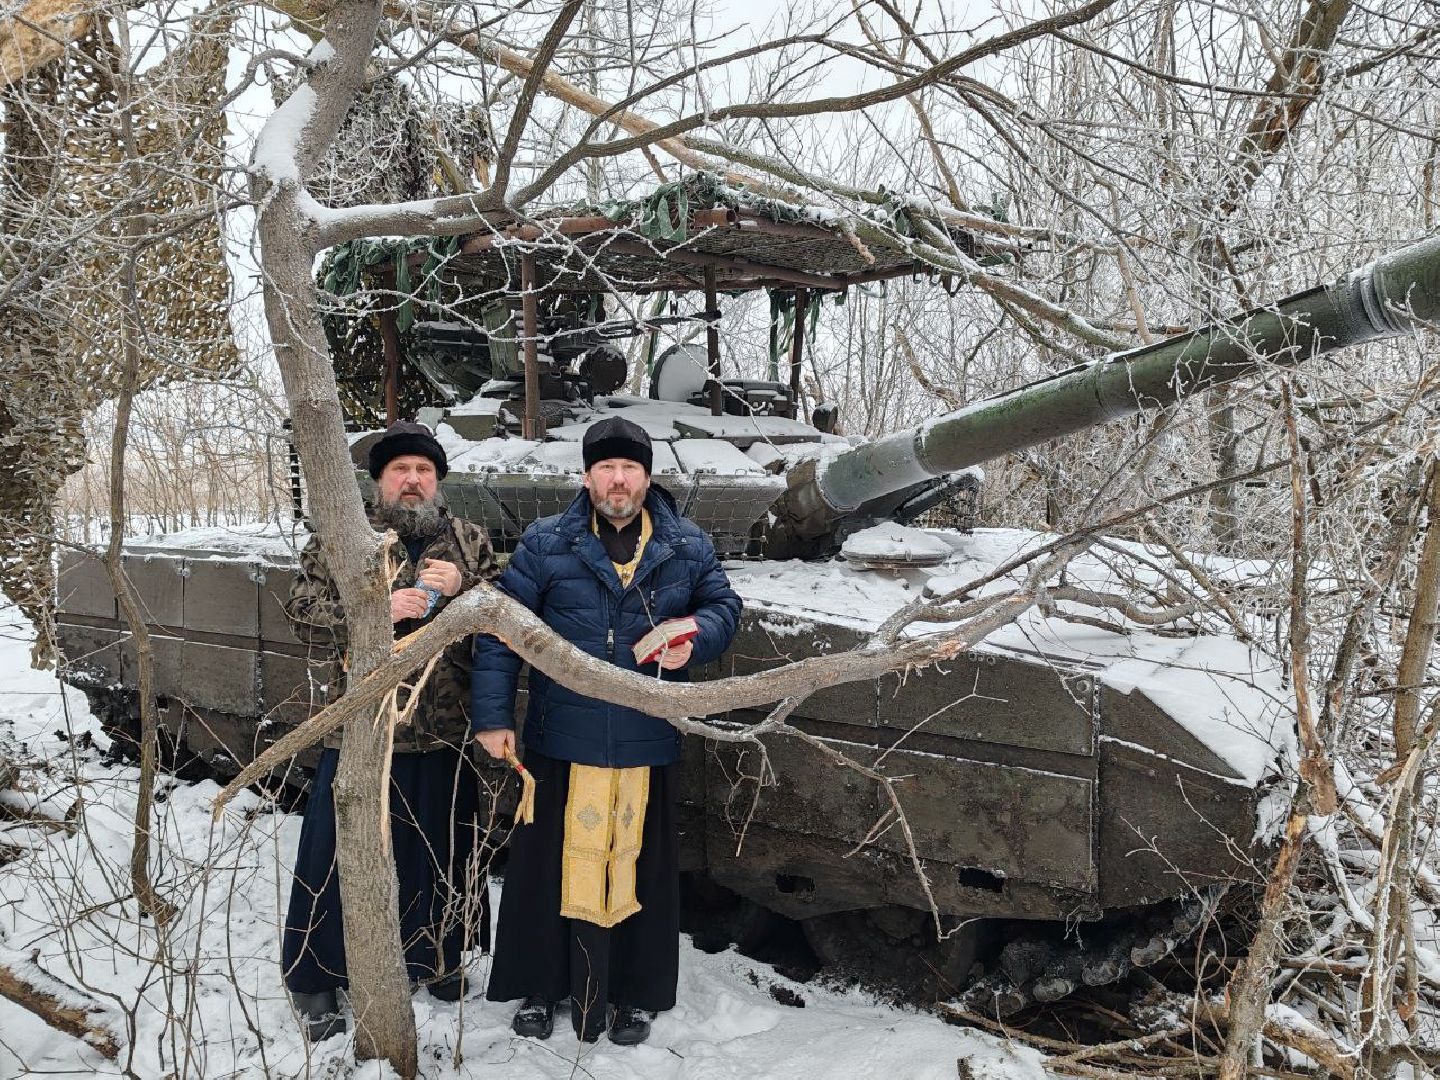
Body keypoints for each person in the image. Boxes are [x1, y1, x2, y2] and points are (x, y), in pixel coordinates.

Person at [472, 415, 741, 1046]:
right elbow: (502, 629)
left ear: (647, 477)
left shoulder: (687, 545)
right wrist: (493, 716)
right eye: (606, 468)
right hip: (560, 736)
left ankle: (635, 994)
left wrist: (695, 636)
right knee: (546, 871)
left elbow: (724, 606)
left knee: (640, 869)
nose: (618, 480)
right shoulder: (546, 544)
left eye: (629, 468)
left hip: (647, 735)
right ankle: (541, 988)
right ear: (588, 476)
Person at [282, 420, 499, 1040]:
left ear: (438, 481)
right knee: (333, 853)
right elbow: (301, 614)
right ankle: (315, 975)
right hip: (362, 728)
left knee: (442, 850)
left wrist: (466, 589)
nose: (412, 480)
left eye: (424, 470)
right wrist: (376, 608)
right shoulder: (344, 539)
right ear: (379, 481)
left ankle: (435, 957)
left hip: (444, 729)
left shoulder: (468, 539)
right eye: (400, 469)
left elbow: (501, 619)